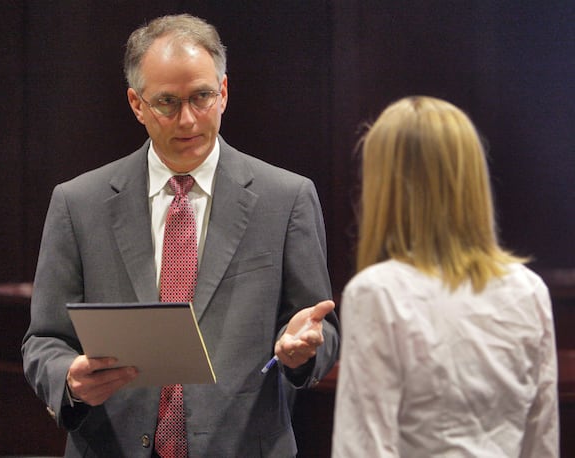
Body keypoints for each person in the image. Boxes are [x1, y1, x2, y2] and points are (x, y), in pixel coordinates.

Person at [22, 14, 339, 458]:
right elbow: (43, 340)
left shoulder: (285, 198)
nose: (188, 119)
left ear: (224, 93)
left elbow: (319, 330)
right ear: (137, 104)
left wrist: (302, 351)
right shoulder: (79, 203)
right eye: (167, 102)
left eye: (202, 97)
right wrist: (67, 377)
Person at [331, 96, 559, 457]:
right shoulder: (529, 289)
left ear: (386, 185)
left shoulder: (377, 292)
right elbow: (542, 439)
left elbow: (363, 446)